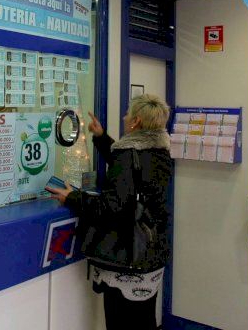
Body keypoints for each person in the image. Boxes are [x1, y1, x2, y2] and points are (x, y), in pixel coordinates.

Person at [47, 94, 172, 330]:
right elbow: (132, 174)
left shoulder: (129, 155)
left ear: (135, 121)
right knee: (145, 320)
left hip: (128, 258)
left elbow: (112, 207)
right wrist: (102, 138)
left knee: (122, 323)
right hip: (151, 252)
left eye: (128, 114)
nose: (124, 117)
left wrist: (72, 197)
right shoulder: (159, 152)